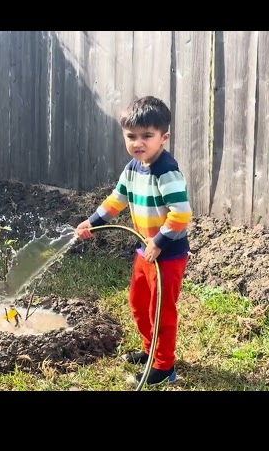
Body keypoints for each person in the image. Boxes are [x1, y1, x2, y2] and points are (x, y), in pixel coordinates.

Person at [75, 95, 192, 387]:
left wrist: (160, 242)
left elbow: (181, 214)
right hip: (145, 248)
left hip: (167, 253)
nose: (138, 142)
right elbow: (118, 199)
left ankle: (165, 367)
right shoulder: (132, 167)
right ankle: (149, 348)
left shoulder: (166, 171)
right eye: (131, 136)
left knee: (160, 310)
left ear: (163, 137)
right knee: (138, 303)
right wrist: (93, 221)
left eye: (147, 136)